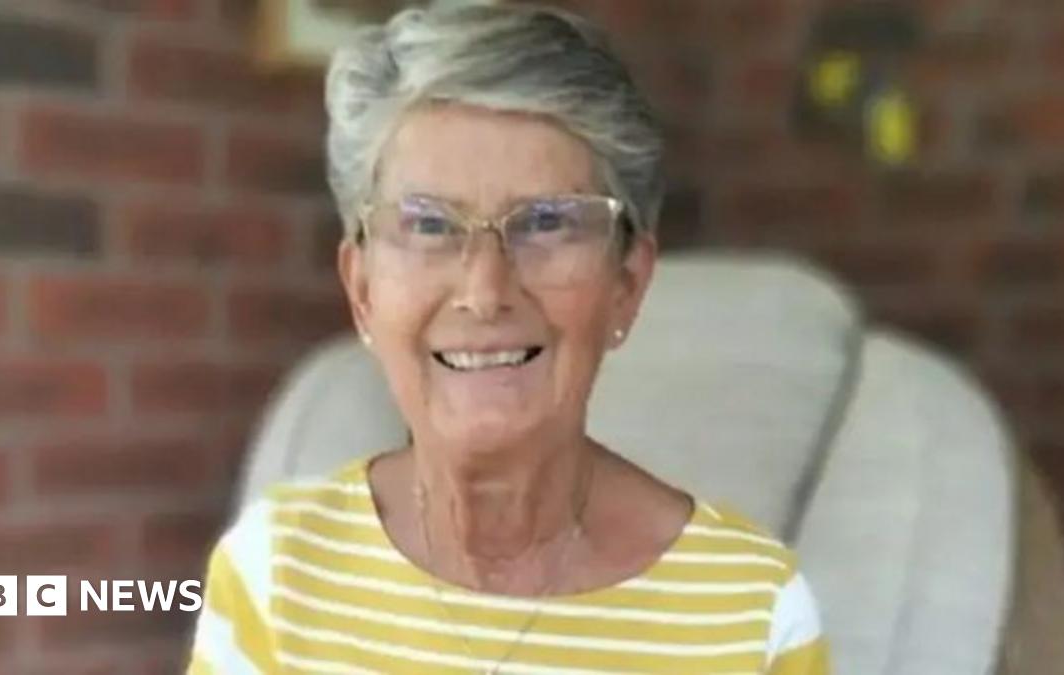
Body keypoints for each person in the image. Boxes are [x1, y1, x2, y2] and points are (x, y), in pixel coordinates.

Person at [187, 3, 829, 673]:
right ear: (364, 289)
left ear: (628, 282)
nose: (485, 291)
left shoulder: (751, 611)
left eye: (547, 222)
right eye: (429, 225)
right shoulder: (275, 571)